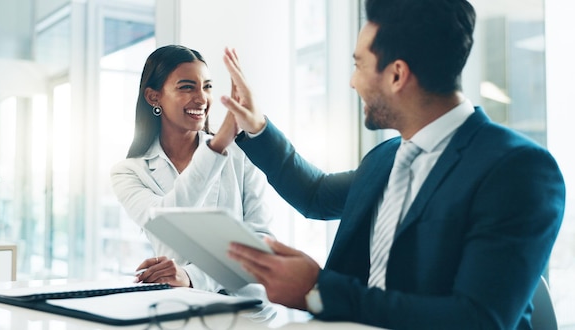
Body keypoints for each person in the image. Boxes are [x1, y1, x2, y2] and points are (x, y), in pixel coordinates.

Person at [217, 0, 566, 329]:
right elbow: (316, 195)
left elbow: (477, 320)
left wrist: (318, 290)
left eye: (358, 65)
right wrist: (256, 126)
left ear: (397, 75)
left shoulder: (517, 170)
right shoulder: (386, 158)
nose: (353, 82)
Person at [110, 45, 273, 296]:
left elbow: (261, 244)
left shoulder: (240, 156)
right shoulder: (128, 172)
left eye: (207, 86)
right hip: (177, 308)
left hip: (246, 311)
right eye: (187, 87)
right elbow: (166, 226)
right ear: (154, 97)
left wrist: (190, 276)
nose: (201, 98)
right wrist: (217, 145)